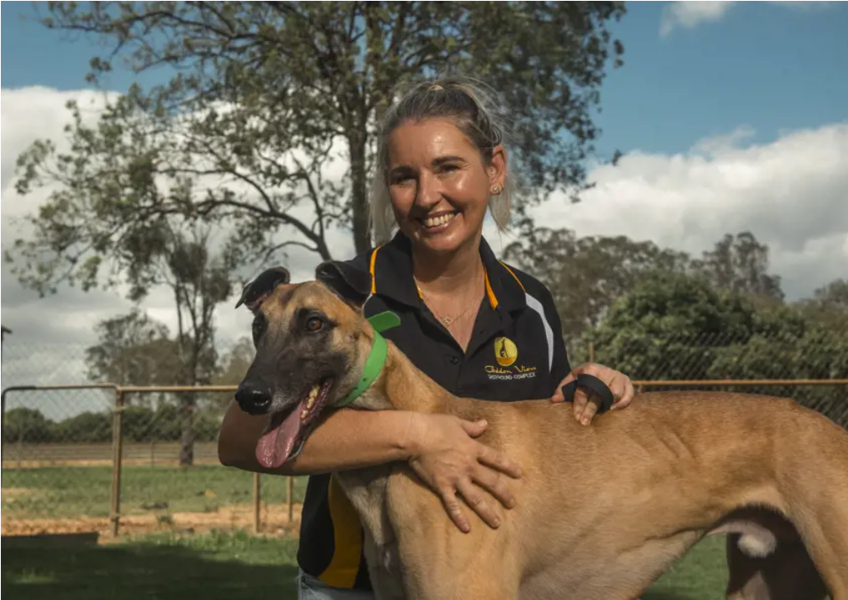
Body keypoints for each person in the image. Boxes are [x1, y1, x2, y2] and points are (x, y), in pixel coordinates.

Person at [218, 76, 636, 600]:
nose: (426, 196)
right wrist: (417, 434)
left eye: (448, 168)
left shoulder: (530, 304)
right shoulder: (345, 295)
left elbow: (548, 438)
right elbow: (238, 442)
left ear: (494, 170)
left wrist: (591, 390)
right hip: (353, 586)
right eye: (404, 177)